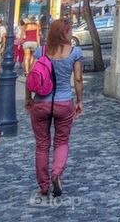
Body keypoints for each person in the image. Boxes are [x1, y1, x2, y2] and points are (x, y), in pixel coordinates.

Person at [26, 19, 83, 199]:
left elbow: (32, 76)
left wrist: (28, 99)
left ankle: (43, 186)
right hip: (63, 102)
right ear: (64, 33)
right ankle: (56, 173)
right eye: (69, 30)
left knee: (42, 145)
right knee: (62, 142)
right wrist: (79, 101)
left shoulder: (41, 51)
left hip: (41, 103)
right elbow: (79, 79)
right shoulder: (75, 52)